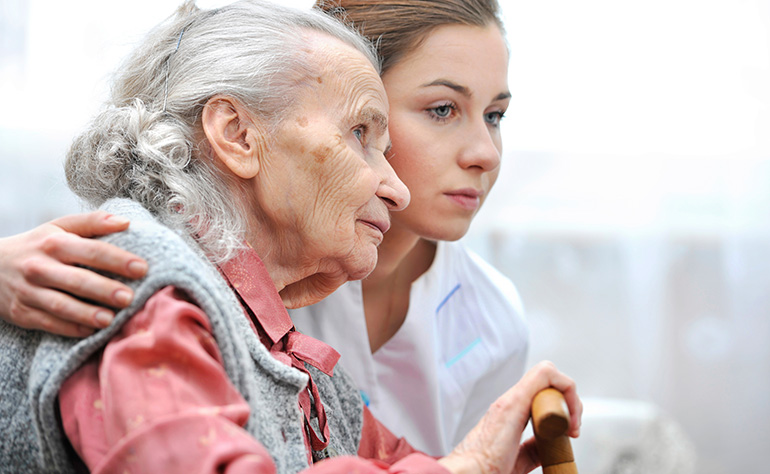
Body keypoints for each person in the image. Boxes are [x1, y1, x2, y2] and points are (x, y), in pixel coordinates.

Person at [0, 1, 581, 473]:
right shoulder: (140, 282)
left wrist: (480, 464)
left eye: (495, 116)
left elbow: (401, 462)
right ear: (238, 135)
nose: (395, 188)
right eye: (359, 134)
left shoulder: (288, 351)